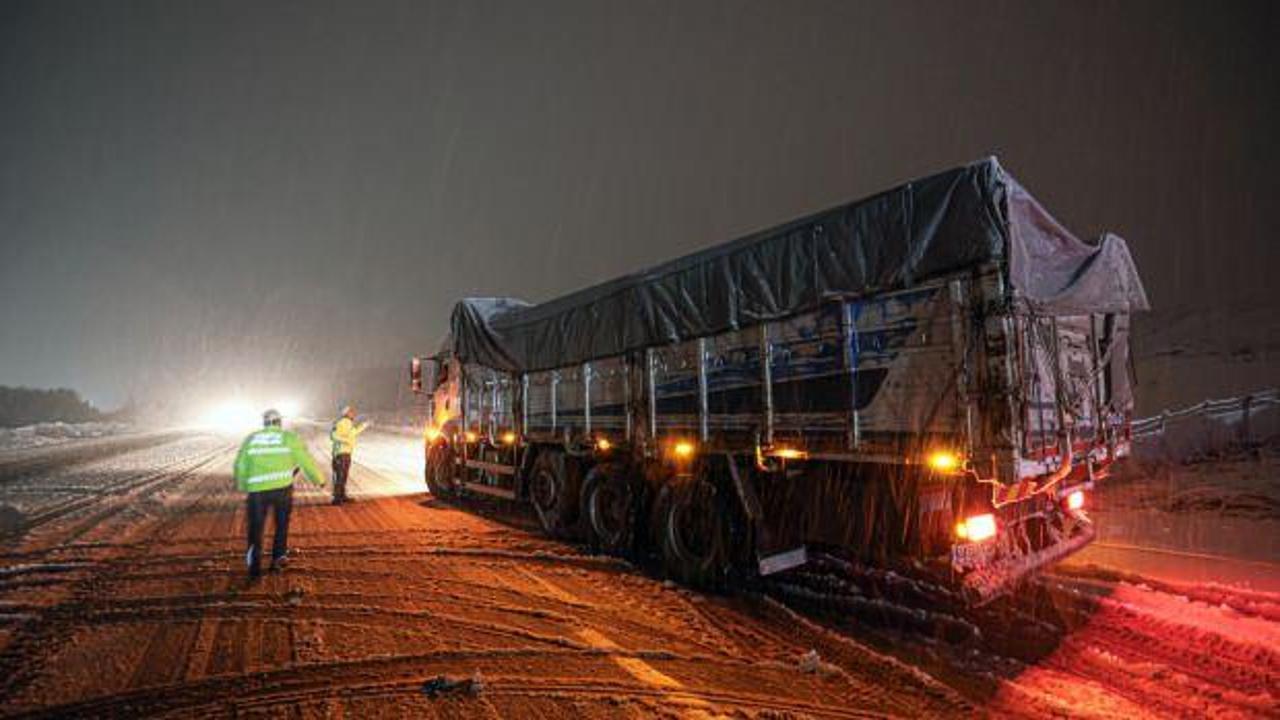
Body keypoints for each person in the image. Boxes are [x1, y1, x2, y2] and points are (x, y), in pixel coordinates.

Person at [233, 408, 325, 580]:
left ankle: (253, 565)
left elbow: (240, 464)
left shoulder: (251, 439)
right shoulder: (288, 438)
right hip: (282, 488)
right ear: (279, 422)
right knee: (281, 524)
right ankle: (278, 557)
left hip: (257, 491)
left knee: (255, 528)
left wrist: (243, 485)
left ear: (264, 422)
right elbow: (304, 460)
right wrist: (318, 479)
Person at [329, 405, 369, 505]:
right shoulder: (342, 422)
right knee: (340, 476)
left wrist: (362, 427)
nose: (353, 413)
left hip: (346, 452)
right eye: (351, 412)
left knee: (343, 475)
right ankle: (337, 498)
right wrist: (347, 441)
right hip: (341, 453)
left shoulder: (348, 423)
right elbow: (333, 436)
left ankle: (342, 495)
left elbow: (352, 433)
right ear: (346, 413)